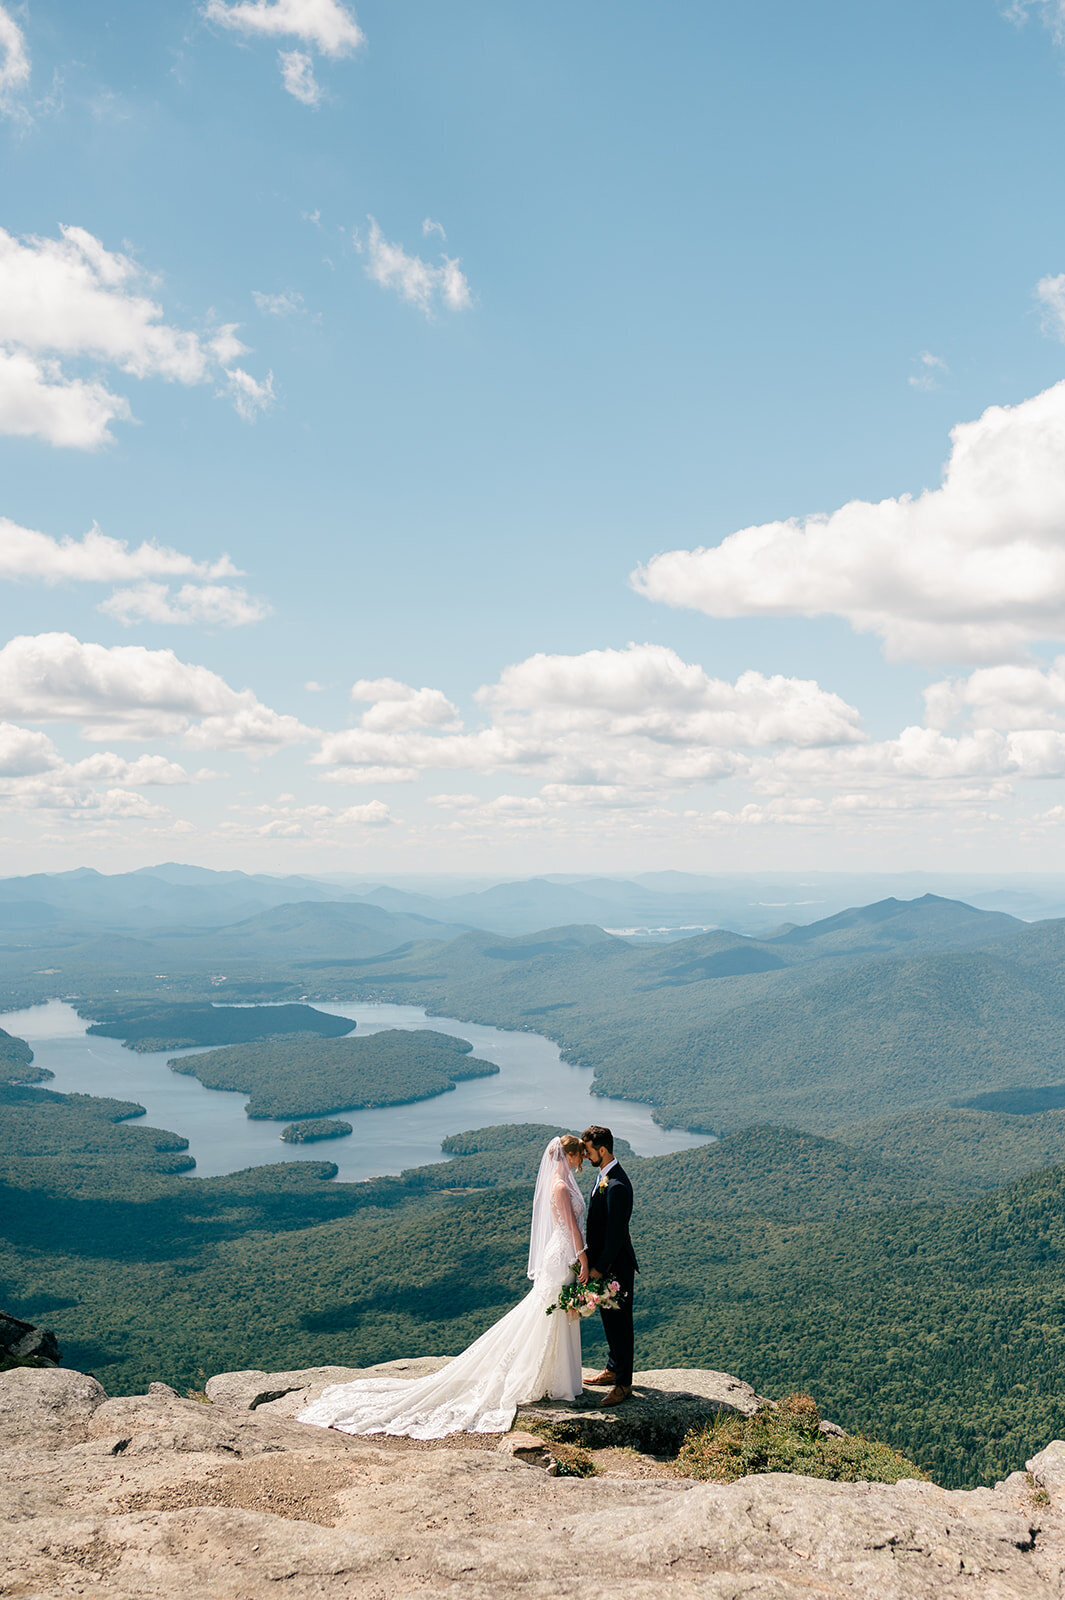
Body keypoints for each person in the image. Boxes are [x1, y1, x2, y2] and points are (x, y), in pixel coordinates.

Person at [296, 1134, 589, 1438]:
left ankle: (557, 1379)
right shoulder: (559, 1186)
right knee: (549, 1313)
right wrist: (583, 1259)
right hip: (564, 1256)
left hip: (562, 1254)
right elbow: (571, 1227)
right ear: (568, 1156)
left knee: (552, 1313)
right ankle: (555, 1380)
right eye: (579, 1156)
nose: (581, 1161)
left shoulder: (559, 1182)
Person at [581, 1124, 638, 1407]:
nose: (586, 1155)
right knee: (608, 1319)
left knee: (621, 1324)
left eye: (588, 1151)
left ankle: (623, 1385)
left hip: (616, 1267)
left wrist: (599, 1268)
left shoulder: (617, 1186)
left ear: (602, 1150)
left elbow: (616, 1236)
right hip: (606, 1265)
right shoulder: (604, 1177)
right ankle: (613, 1368)